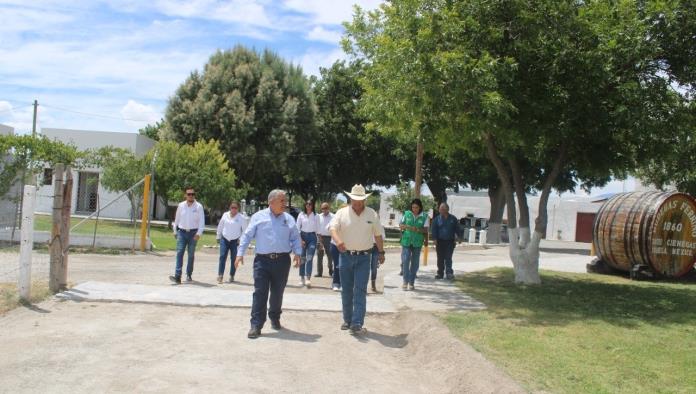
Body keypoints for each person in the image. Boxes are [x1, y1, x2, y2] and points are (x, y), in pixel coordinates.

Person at [235, 189, 302, 339]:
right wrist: (240, 254)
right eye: (282, 201)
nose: (285, 204)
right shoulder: (258, 217)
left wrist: (298, 253)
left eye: (285, 201)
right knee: (260, 292)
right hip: (262, 261)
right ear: (271, 202)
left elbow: (296, 237)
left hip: (282, 260)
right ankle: (256, 325)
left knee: (278, 292)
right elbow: (247, 236)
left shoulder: (289, 219)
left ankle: (275, 317)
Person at [330, 184, 385, 335]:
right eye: (355, 199)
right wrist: (338, 241)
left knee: (360, 290)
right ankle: (347, 320)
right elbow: (332, 228)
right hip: (346, 256)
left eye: (360, 200)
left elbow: (378, 235)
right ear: (350, 198)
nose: (357, 203)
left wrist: (381, 252)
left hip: (364, 258)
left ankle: (357, 322)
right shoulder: (341, 212)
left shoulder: (372, 214)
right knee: (346, 290)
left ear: (364, 200)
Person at [169, 186, 205, 284]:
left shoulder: (199, 206)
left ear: (194, 195)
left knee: (191, 254)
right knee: (180, 252)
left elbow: (202, 222)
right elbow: (177, 219)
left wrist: (199, 233)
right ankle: (177, 276)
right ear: (185, 195)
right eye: (189, 194)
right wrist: (175, 230)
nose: (191, 196)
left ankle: (189, 274)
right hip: (182, 232)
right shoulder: (181, 205)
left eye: (192, 194)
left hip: (193, 233)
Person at [399, 198, 428, 291]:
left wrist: (419, 230)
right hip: (406, 241)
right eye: (413, 207)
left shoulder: (425, 216)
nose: (414, 209)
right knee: (406, 260)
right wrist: (407, 227)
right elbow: (401, 224)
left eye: (416, 207)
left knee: (415, 263)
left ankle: (411, 282)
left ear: (420, 207)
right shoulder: (407, 214)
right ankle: (405, 282)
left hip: (417, 242)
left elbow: (426, 230)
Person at [216, 201, 248, 284]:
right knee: (222, 257)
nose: (233, 209)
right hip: (224, 239)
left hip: (235, 241)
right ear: (230, 207)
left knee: (234, 259)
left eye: (235, 208)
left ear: (238, 209)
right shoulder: (225, 215)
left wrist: (240, 239)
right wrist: (218, 236)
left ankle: (232, 275)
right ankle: (220, 275)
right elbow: (220, 226)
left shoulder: (241, 217)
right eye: (232, 207)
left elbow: (245, 231)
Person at [431, 202, 462, 280]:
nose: (440, 210)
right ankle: (440, 273)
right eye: (440, 209)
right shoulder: (436, 219)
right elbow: (434, 230)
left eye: (442, 209)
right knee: (440, 258)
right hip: (440, 242)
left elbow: (457, 228)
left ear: (447, 209)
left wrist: (459, 237)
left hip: (450, 242)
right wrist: (434, 239)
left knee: (448, 258)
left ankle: (449, 273)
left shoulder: (453, 218)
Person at [296, 201, 319, 287]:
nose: (308, 206)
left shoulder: (316, 216)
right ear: (305, 205)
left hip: (312, 237)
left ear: (312, 206)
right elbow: (297, 227)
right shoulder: (301, 215)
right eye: (307, 204)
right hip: (302, 236)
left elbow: (318, 229)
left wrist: (320, 241)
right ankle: (302, 278)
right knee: (302, 258)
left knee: (309, 258)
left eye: (310, 204)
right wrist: (300, 239)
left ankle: (308, 278)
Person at [316, 202, 334, 278]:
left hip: (330, 238)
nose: (324, 210)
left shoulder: (333, 216)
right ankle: (319, 273)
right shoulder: (318, 216)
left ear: (328, 208)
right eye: (322, 208)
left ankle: (331, 271)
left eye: (326, 208)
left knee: (330, 257)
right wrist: (319, 239)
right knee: (319, 256)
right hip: (320, 238)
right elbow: (317, 228)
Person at [369, 226, 387, 292]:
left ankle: (373, 284)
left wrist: (381, 253)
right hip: (366, 246)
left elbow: (383, 238)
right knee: (365, 266)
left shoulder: (381, 227)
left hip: (376, 247)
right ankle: (363, 285)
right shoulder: (366, 224)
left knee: (374, 267)